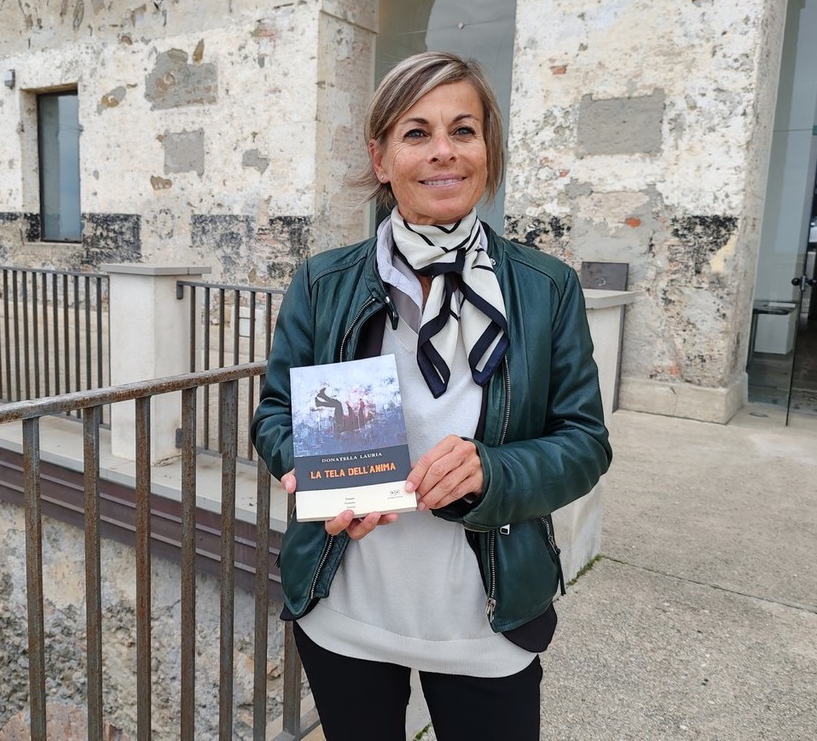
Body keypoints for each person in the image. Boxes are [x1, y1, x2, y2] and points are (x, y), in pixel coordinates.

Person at [250, 51, 612, 741]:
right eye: (417, 133)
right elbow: (275, 415)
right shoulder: (325, 282)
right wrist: (308, 467)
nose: (443, 151)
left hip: (485, 622)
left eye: (463, 130)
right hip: (346, 610)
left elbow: (585, 442)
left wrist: (494, 472)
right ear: (381, 158)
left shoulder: (545, 287)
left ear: (487, 150)